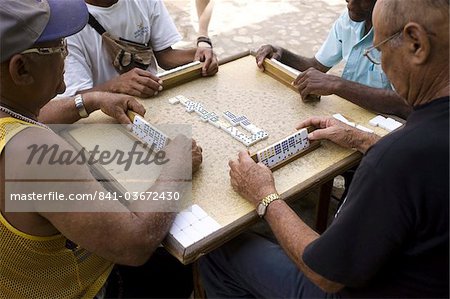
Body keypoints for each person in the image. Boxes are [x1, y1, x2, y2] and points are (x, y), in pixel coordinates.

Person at [200, 0, 449, 297]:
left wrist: (265, 196)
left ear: (416, 43)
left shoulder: (396, 160)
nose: (381, 62)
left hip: (348, 286)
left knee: (216, 252)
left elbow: (324, 274)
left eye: (379, 51)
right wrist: (362, 139)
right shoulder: (416, 145)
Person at [0, 0, 203, 297]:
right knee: (181, 268)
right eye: (59, 48)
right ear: (21, 68)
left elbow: (28, 113)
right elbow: (134, 243)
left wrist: (90, 100)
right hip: (85, 288)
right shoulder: (32, 152)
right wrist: (177, 166)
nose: (66, 56)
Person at [255, 0, 411, 119]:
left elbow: (405, 105)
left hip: (387, 127)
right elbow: (316, 65)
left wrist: (338, 85)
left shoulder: (401, 36)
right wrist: (282, 54)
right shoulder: (348, 20)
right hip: (350, 115)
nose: (350, 2)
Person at [61, 0, 219, 98]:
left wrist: (198, 57)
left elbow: (165, 56)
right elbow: (75, 98)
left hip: (152, 98)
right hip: (104, 117)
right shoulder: (68, 23)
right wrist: (116, 85)